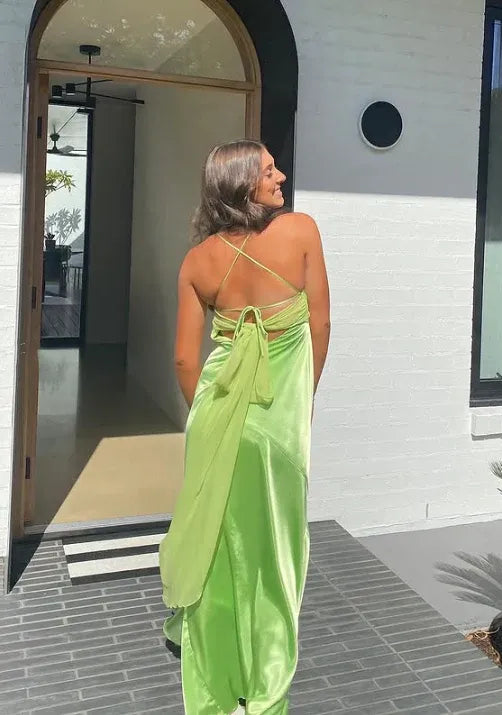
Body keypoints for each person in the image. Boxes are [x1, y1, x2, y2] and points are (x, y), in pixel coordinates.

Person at [159, 139, 331, 715]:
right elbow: (321, 327)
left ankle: (216, 670)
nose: (280, 176)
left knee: (219, 546)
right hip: (278, 426)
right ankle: (264, 681)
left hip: (215, 418)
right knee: (275, 555)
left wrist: (213, 418)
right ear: (241, 185)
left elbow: (184, 361)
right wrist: (301, 399)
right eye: (268, 170)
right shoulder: (302, 231)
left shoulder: (196, 262)